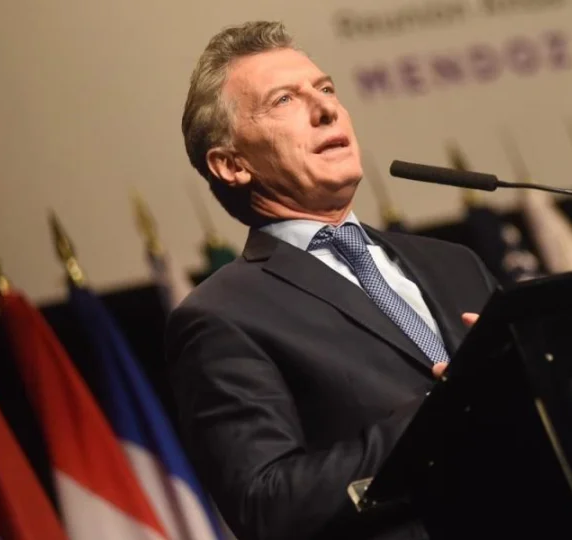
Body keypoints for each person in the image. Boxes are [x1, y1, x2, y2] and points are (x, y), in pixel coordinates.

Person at [167, 20, 498, 540]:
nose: (326, 109)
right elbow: (267, 506)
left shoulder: (455, 263)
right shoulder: (220, 317)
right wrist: (440, 413)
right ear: (231, 165)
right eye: (284, 100)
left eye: (325, 89)